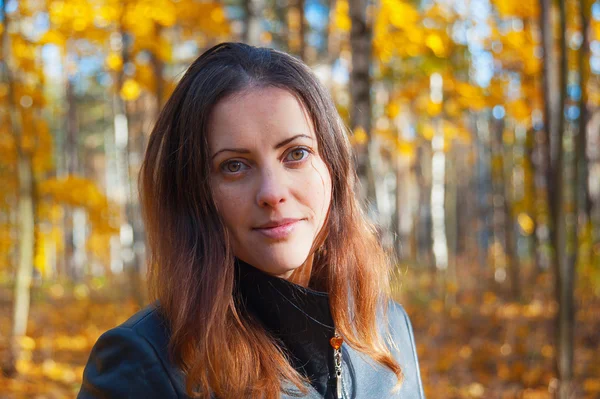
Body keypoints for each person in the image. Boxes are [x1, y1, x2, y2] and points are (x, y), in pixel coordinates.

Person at [78, 42, 425, 399]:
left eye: (296, 154)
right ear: (193, 192)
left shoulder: (386, 326)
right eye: (234, 165)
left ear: (333, 165)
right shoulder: (146, 362)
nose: (272, 192)